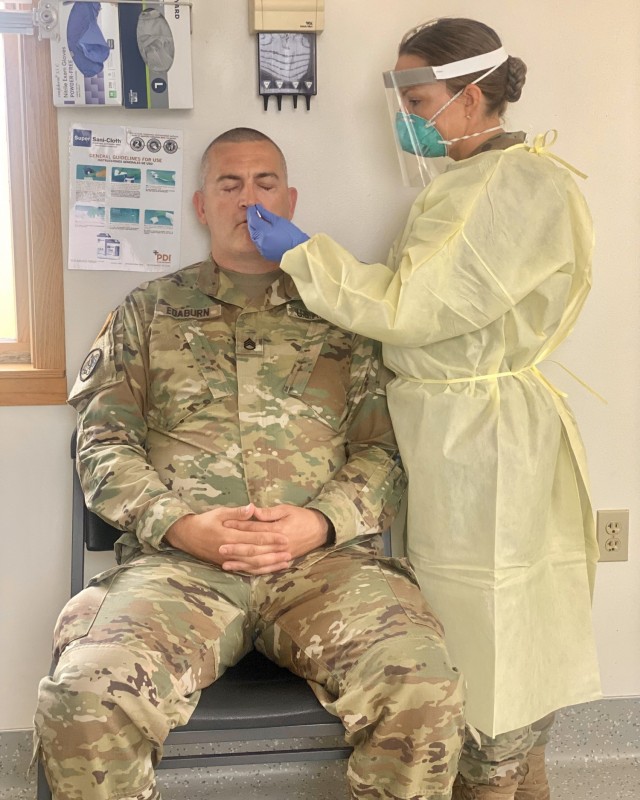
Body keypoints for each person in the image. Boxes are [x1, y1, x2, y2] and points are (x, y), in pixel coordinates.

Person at [34, 127, 465, 800]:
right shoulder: (146, 314)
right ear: (200, 205)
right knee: (85, 696)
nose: (247, 199)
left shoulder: (341, 316)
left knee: (422, 684)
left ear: (289, 200)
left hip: (326, 568)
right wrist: (180, 525)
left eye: (264, 183)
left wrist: (320, 523)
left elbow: (385, 451)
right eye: (228, 185)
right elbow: (103, 444)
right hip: (181, 569)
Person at [247, 18, 602, 800]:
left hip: (486, 436)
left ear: (471, 99)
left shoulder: (514, 186)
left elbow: (413, 307)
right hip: (458, 427)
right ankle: (513, 773)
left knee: (493, 616)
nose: (408, 111)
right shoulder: (474, 182)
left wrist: (305, 254)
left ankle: (497, 775)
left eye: (420, 96)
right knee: (469, 610)